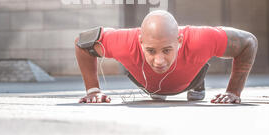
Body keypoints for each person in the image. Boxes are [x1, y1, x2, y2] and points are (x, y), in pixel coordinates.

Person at [75, 10, 258, 104]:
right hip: (148, 84)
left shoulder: (201, 39)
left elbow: (249, 42)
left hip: (189, 78)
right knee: (156, 89)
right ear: (140, 42)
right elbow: (81, 43)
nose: (159, 61)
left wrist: (233, 92)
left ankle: (197, 80)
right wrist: (93, 91)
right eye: (151, 51)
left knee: (194, 61)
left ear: (179, 41)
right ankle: (157, 89)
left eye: (167, 50)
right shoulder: (125, 41)